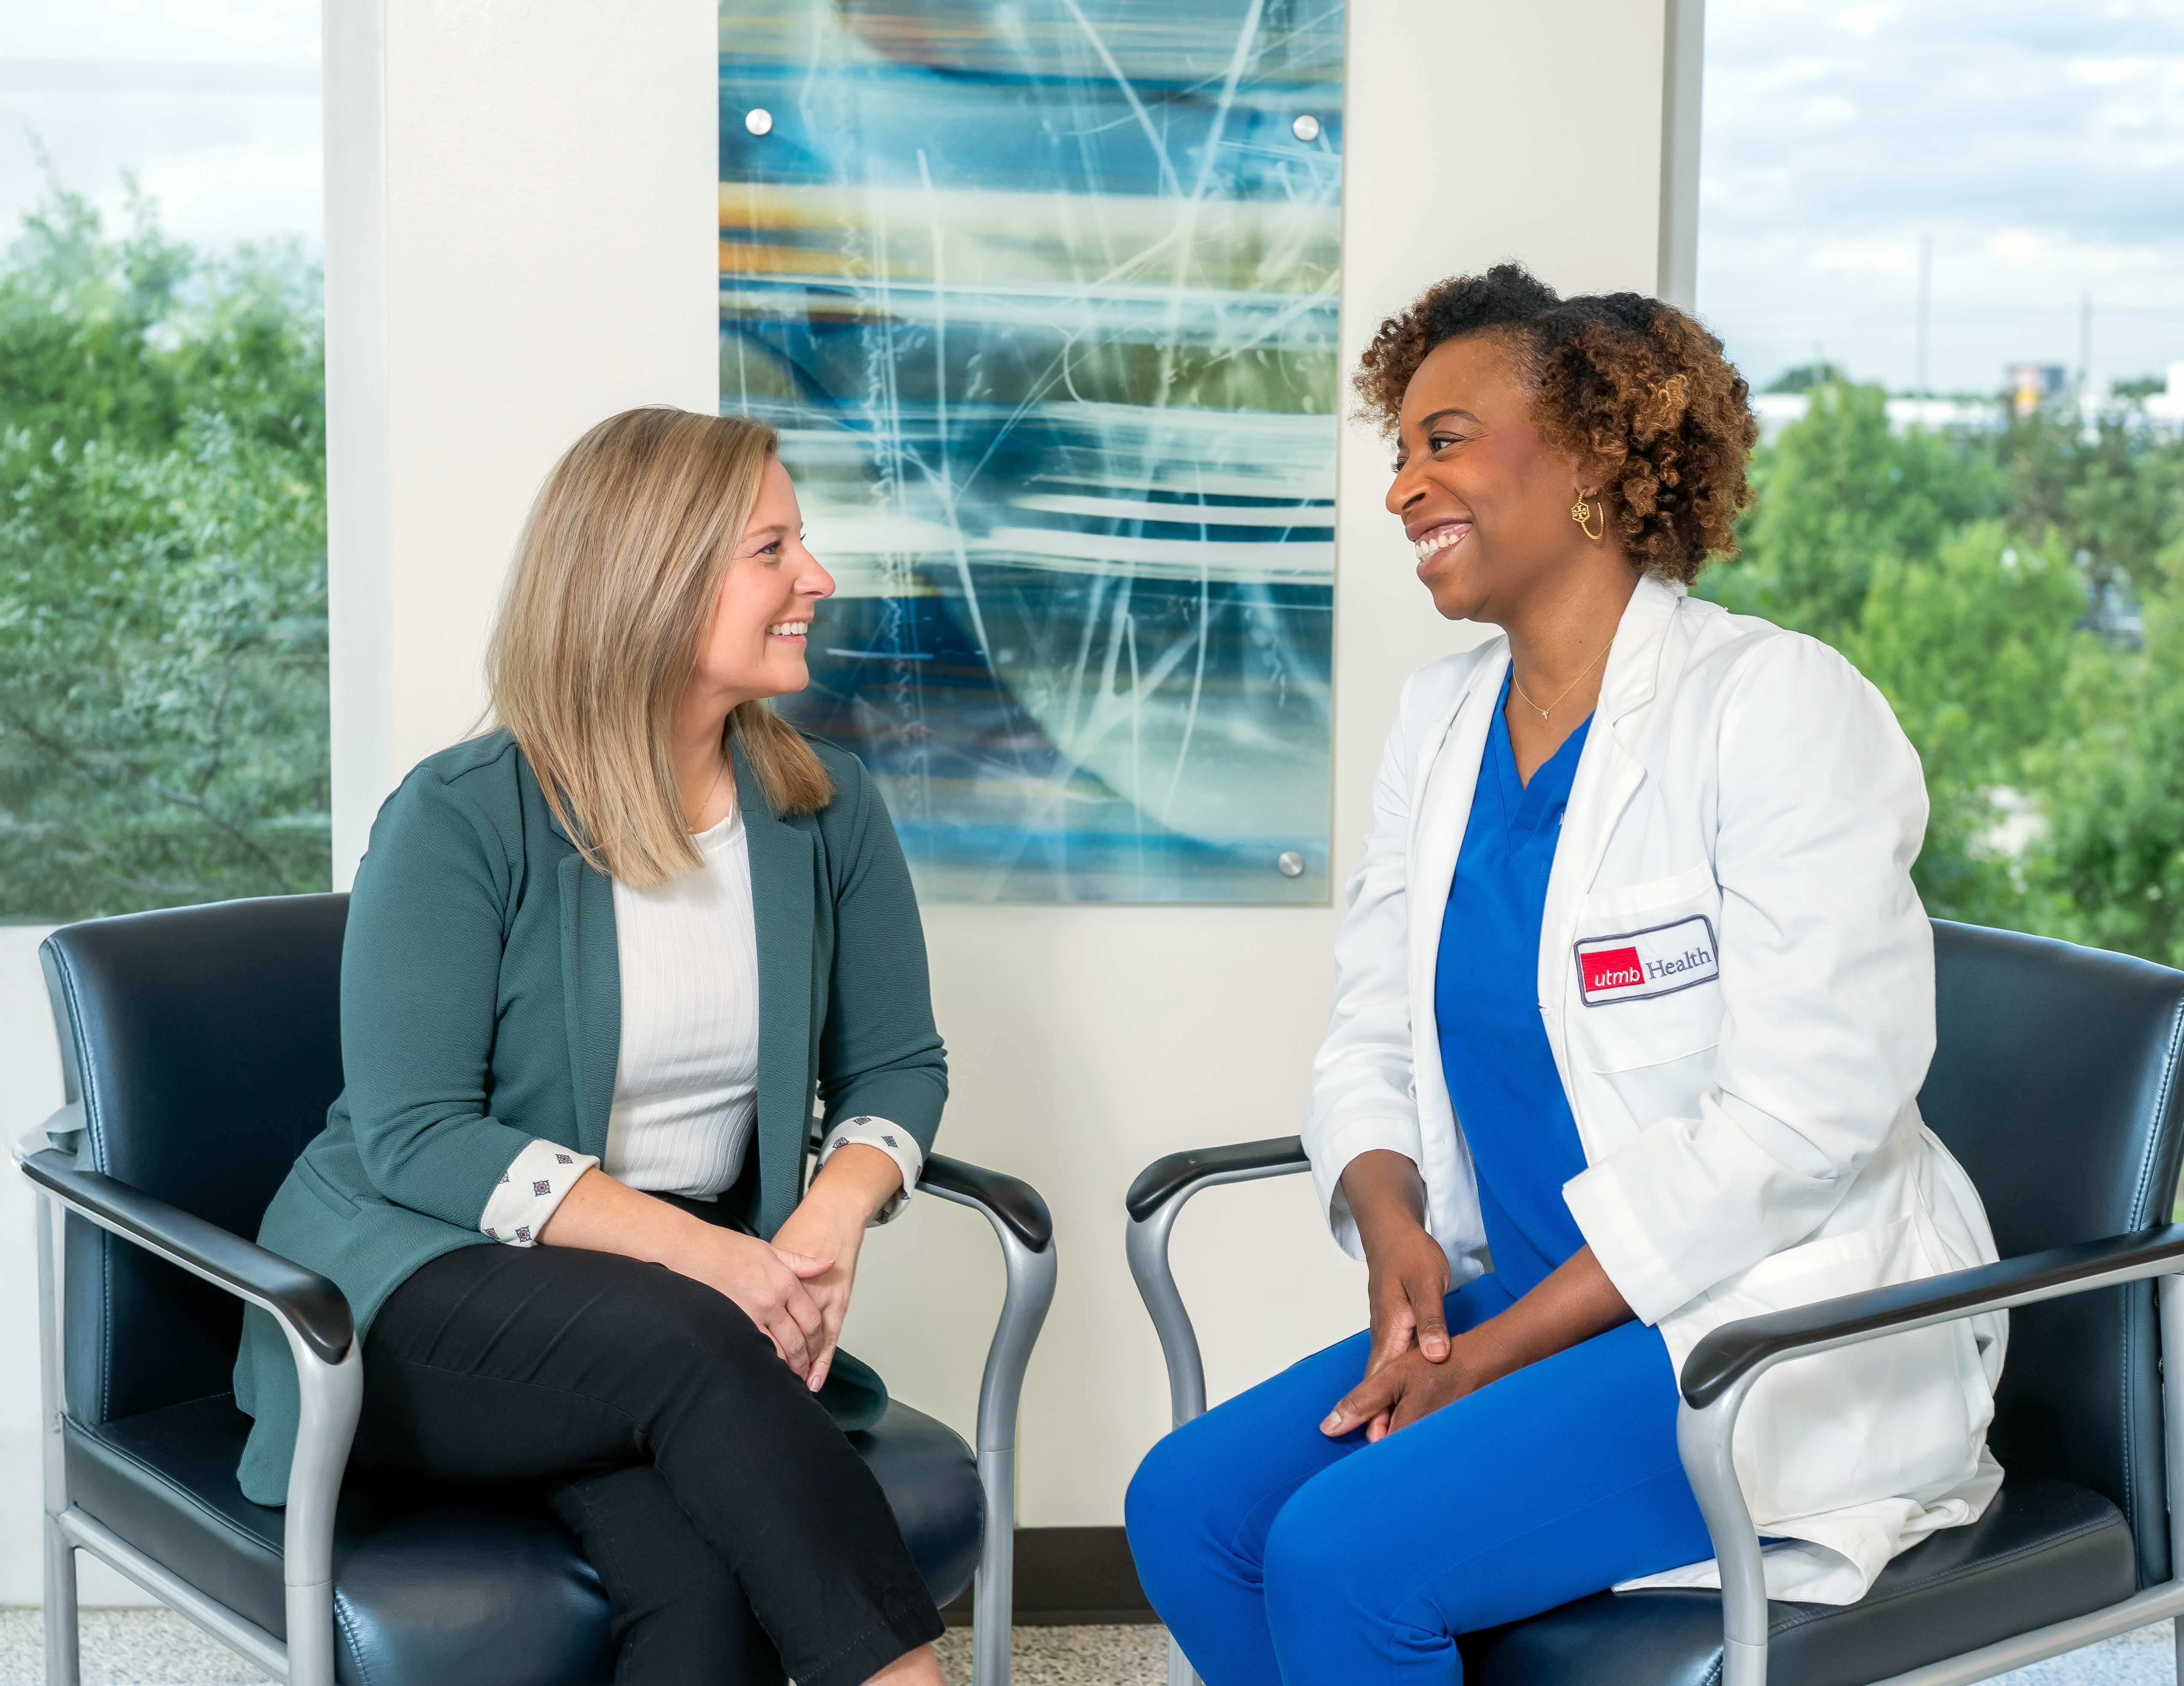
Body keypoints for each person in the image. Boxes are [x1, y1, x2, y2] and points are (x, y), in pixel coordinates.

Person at [1125, 265, 2007, 1684]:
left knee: (1342, 1556)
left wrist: (1483, 1356)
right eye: (1398, 449)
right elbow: (1370, 1034)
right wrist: (1393, 1227)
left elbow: (1796, 1123)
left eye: (1446, 438)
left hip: (1747, 1329)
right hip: (1530, 1296)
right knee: (1189, 1508)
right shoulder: (1443, 721)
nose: (1405, 485)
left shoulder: (1774, 707)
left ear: (1595, 454)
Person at [232, 407, 952, 1686]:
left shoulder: (823, 813)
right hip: (411, 1288)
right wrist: (712, 1262)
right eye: (773, 548)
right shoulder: (461, 815)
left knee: (703, 1584)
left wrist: (831, 1215)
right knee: (695, 1346)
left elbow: (898, 1063)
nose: (816, 579)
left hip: (662, 1321)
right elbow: (415, 1132)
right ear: (656, 577)